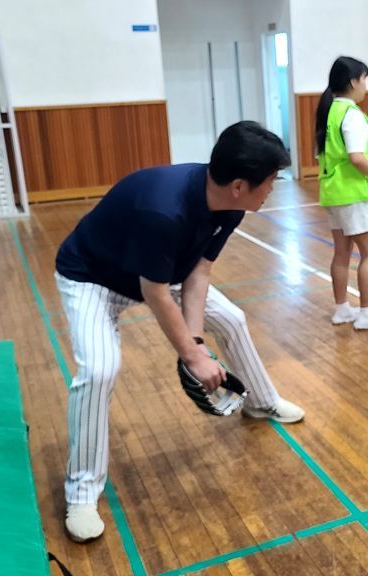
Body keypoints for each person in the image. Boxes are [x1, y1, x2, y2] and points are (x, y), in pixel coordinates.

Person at [54, 121, 305, 542]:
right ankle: (81, 493)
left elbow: (198, 273)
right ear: (240, 184)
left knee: (232, 318)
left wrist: (198, 344)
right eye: (271, 182)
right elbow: (154, 294)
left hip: (160, 271)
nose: (273, 189)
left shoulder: (230, 205)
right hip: (92, 278)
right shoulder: (163, 210)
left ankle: (261, 402)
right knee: (99, 370)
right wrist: (192, 357)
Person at [316, 56, 368, 330]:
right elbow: (356, 157)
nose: (366, 85)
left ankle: (342, 309)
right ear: (353, 81)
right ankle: (366, 313)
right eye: (364, 79)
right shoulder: (351, 114)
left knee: (342, 253)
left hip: (333, 192)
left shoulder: (330, 111)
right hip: (351, 193)